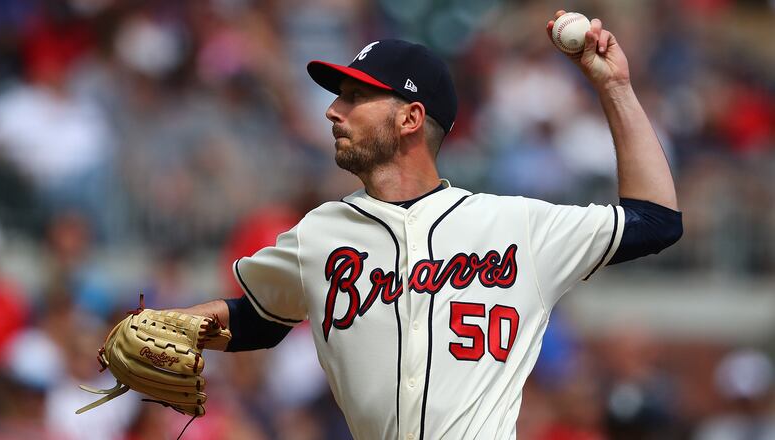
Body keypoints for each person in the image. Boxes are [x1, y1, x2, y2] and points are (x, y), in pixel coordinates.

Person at [166, 10, 683, 439]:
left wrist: (614, 87)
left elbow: (656, 220)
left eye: (355, 96)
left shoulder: (514, 224)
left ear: (410, 118)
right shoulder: (318, 233)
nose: (332, 111)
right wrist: (177, 326)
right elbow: (255, 318)